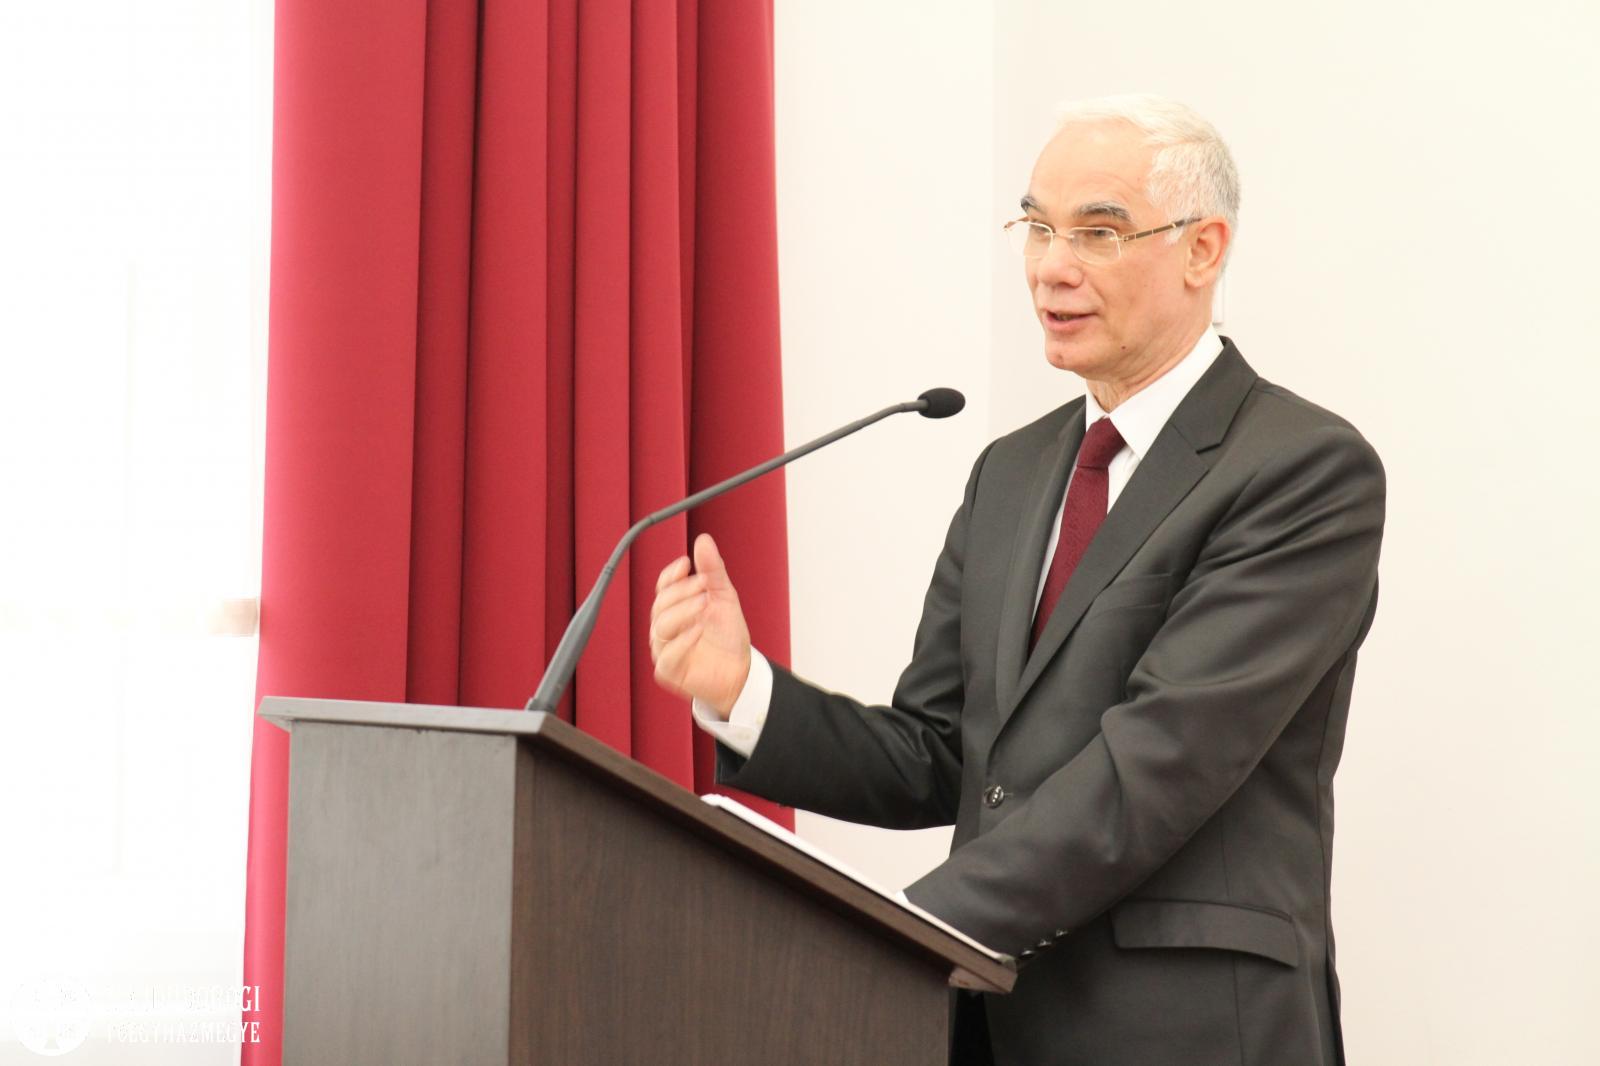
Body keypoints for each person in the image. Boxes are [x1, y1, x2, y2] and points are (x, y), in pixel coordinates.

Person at [648, 94, 1383, 1066]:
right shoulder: (1013, 470)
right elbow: (943, 754)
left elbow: (1158, 764)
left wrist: (901, 932)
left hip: (1192, 1029)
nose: (1050, 266)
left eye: (1098, 232)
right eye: (1036, 227)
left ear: (1202, 250)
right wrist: (743, 692)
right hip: (994, 1023)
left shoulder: (1299, 468)